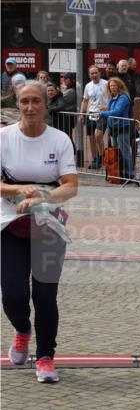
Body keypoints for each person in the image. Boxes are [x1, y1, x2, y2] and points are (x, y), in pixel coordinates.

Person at [0, 80, 77, 384]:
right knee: (14, 295)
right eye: (24, 102)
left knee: (45, 295)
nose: (30, 107)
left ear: (46, 105)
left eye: (36, 101)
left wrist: (42, 196)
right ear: (17, 104)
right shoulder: (4, 138)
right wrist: (19, 189)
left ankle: (45, 358)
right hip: (8, 224)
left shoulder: (59, 140)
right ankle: (21, 330)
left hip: (48, 226)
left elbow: (71, 185)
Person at [99, 77, 134, 180]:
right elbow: (112, 110)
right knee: (115, 152)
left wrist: (102, 113)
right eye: (110, 86)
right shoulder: (113, 98)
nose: (112, 87)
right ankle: (118, 172)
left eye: (114, 85)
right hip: (113, 128)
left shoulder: (123, 97)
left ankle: (129, 173)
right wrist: (106, 110)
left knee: (125, 151)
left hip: (122, 127)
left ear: (119, 86)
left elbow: (117, 112)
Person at [79, 65, 109, 169]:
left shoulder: (106, 83)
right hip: (91, 113)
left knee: (98, 135)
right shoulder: (88, 86)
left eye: (96, 73)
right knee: (91, 138)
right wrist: (82, 113)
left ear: (99, 73)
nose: (94, 75)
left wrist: (108, 107)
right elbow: (85, 100)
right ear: (89, 75)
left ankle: (102, 157)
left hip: (102, 114)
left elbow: (113, 96)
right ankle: (95, 159)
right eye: (92, 73)